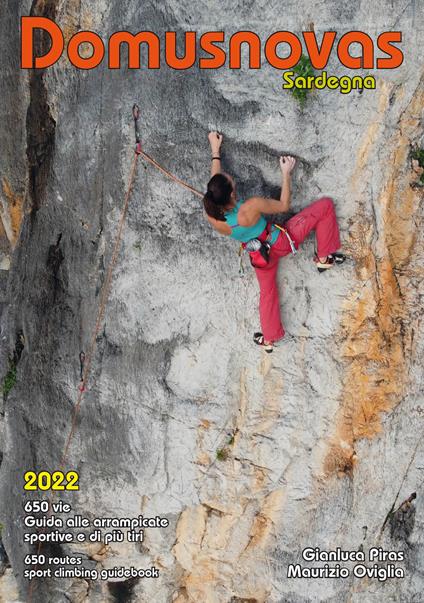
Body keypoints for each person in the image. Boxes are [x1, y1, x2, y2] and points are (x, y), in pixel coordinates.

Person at [203, 131, 345, 353]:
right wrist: (286, 173)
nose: (231, 177)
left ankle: (269, 339)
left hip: (259, 256)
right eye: (231, 181)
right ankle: (324, 257)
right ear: (231, 195)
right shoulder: (249, 207)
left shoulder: (211, 214)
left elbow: (214, 185)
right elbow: (283, 205)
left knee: (268, 294)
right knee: (325, 206)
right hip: (279, 242)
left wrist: (215, 151)